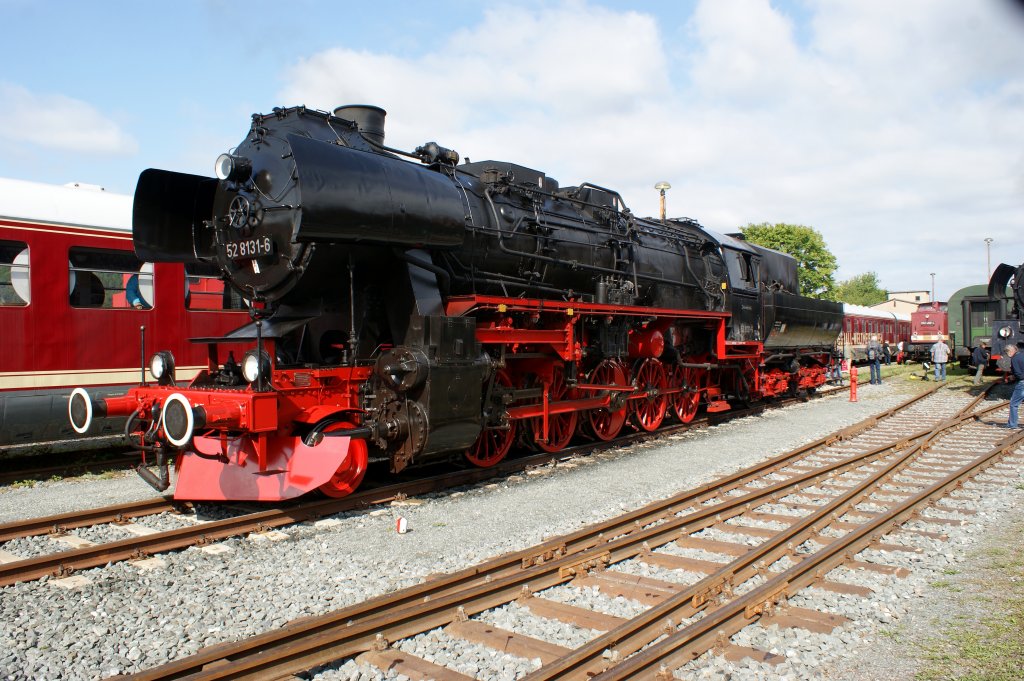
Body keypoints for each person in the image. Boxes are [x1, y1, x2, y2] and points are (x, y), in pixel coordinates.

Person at [1005, 344, 1024, 429]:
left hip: (1022, 383)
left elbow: (1018, 374)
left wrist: (1012, 377)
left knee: (1014, 404)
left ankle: (1012, 424)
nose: (1007, 354)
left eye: (1007, 352)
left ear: (1010, 351)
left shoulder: (1015, 359)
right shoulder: (1022, 355)